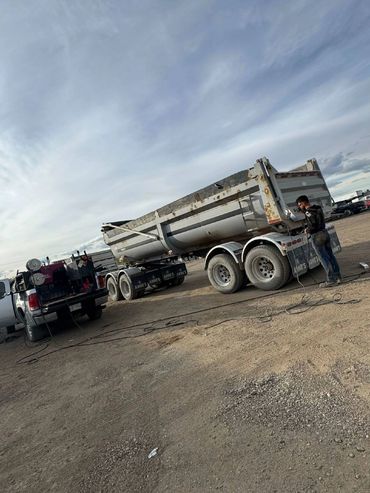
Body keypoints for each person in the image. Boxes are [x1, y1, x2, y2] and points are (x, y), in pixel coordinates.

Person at [296, 195, 341, 287]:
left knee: (323, 258)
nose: (300, 207)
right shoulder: (318, 208)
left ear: (304, 203)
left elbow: (313, 224)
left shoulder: (308, 212)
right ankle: (338, 276)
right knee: (330, 255)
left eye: (300, 205)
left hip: (317, 236)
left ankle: (331, 279)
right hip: (324, 233)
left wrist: (307, 229)